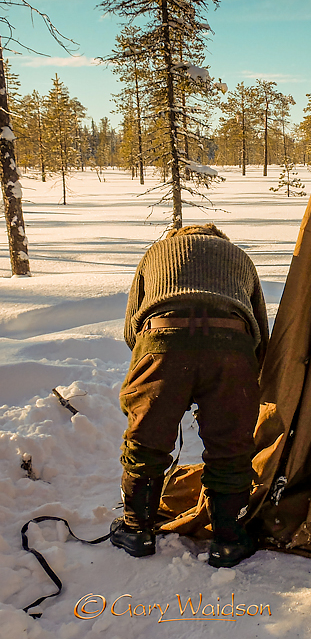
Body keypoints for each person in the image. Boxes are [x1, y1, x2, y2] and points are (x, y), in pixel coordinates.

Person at [112, 223, 269, 568]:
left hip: (162, 339)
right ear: (220, 242)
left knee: (146, 439)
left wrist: (156, 372)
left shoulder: (155, 254)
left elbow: (130, 329)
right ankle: (228, 540)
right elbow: (260, 326)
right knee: (230, 444)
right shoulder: (239, 257)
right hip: (232, 344)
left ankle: (137, 531)